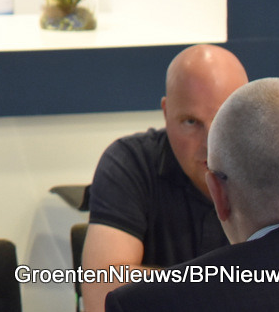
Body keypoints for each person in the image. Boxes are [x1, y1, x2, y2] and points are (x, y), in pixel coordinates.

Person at [106, 78, 279, 311]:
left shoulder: (145, 304)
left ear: (219, 193)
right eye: (191, 121)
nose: (205, 144)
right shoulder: (132, 159)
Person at [80, 44, 249, 312]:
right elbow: (102, 293)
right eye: (191, 122)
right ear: (166, 113)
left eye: (224, 121)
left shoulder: (274, 166)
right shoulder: (130, 162)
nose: (210, 144)